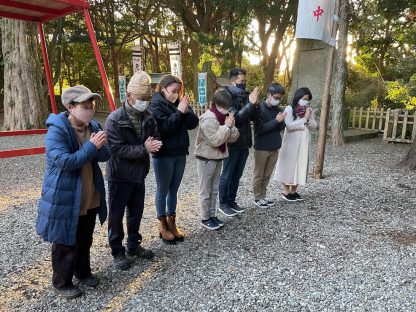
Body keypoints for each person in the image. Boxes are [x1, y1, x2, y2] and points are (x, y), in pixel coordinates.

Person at [36, 85, 110, 299]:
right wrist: (91, 147)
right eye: (84, 107)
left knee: (85, 237)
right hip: (66, 195)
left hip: (90, 194)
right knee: (65, 241)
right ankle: (62, 282)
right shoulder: (57, 130)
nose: (90, 110)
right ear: (70, 107)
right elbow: (65, 162)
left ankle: (83, 272)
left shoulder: (93, 126)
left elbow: (104, 156)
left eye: (91, 106)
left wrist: (102, 146)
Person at [105, 71, 162, 270]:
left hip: (139, 173)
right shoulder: (114, 119)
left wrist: (155, 144)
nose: (144, 103)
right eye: (140, 99)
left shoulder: (149, 116)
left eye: (147, 99)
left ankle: (133, 245)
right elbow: (116, 149)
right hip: (119, 174)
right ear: (128, 96)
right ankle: (117, 251)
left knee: (136, 211)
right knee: (116, 214)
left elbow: (154, 136)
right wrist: (144, 149)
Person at [148, 75, 199, 244]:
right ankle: (162, 223)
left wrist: (184, 111)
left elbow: (193, 123)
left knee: (174, 190)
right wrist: (179, 113)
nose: (176, 94)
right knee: (163, 189)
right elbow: (163, 128)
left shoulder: (179, 103)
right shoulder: (155, 104)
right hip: (164, 154)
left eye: (178, 91)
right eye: (173, 91)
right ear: (163, 89)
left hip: (179, 152)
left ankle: (172, 221)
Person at [195, 89, 240, 230]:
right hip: (206, 159)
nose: (228, 110)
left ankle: (212, 215)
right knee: (205, 190)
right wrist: (226, 127)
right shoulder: (208, 119)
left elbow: (233, 137)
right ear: (218, 104)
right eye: (226, 106)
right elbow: (215, 140)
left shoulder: (222, 117)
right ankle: (205, 217)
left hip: (218, 158)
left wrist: (231, 127)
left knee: (214, 189)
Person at [219, 68, 260, 216]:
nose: (244, 84)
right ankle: (223, 203)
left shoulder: (246, 95)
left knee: (237, 175)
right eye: (241, 81)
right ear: (232, 81)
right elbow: (235, 119)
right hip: (231, 141)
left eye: (245, 81)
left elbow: (253, 117)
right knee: (227, 174)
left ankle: (231, 201)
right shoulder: (226, 96)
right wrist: (250, 105)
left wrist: (255, 105)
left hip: (245, 141)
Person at [273, 87, 317, 201]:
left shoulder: (309, 110)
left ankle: (294, 190)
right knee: (288, 165)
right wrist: (304, 119)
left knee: (300, 164)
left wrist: (308, 119)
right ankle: (286, 191)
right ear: (298, 97)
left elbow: (314, 125)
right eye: (303, 98)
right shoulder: (290, 108)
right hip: (291, 141)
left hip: (304, 141)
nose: (305, 101)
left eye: (307, 99)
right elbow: (290, 126)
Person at [252, 83, 287, 208]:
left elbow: (280, 128)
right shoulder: (259, 109)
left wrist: (283, 120)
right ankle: (258, 197)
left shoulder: (277, 110)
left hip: (274, 146)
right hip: (262, 147)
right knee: (259, 174)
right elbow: (260, 129)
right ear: (269, 95)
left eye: (280, 98)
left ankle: (263, 196)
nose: (278, 100)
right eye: (276, 97)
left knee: (267, 174)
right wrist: (276, 120)